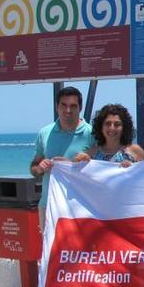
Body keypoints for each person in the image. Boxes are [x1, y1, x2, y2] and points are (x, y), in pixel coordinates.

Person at [30, 86, 95, 227]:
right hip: (48, 205)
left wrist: (71, 165)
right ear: (56, 107)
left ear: (80, 108)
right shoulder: (44, 133)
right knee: (50, 249)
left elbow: (98, 173)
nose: (68, 111)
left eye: (73, 106)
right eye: (63, 105)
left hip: (80, 207)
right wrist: (40, 168)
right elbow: (34, 168)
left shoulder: (91, 134)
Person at [74, 104, 144, 167]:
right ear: (101, 127)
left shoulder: (135, 151)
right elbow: (76, 174)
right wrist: (78, 161)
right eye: (108, 124)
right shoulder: (92, 152)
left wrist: (133, 169)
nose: (112, 128)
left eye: (117, 124)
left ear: (124, 127)